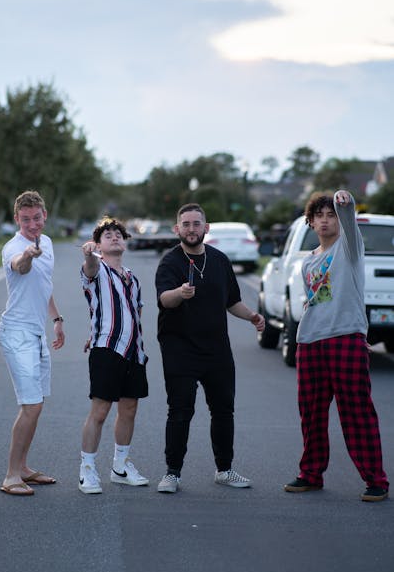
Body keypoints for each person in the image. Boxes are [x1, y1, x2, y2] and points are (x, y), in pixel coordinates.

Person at [284, 190, 389, 502]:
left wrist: (345, 204)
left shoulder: (350, 249)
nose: (326, 220)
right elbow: (318, 300)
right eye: (320, 216)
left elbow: (348, 217)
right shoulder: (307, 263)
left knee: (356, 412)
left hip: (345, 338)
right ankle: (311, 474)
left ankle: (376, 480)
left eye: (331, 215)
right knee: (311, 413)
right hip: (310, 341)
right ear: (311, 223)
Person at [155, 203, 265, 493]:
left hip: (216, 348)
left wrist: (252, 316)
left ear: (206, 228)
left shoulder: (219, 260)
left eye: (196, 224)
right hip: (180, 348)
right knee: (180, 410)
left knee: (223, 410)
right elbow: (164, 299)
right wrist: (180, 293)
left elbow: (232, 301)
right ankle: (172, 473)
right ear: (177, 229)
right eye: (186, 224)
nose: (191, 229)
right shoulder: (170, 262)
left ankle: (225, 470)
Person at [0, 190, 65, 496]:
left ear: (45, 216)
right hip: (16, 331)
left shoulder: (47, 243)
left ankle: (23, 468)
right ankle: (11, 475)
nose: (32, 224)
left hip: (36, 332)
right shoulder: (14, 247)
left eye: (37, 218)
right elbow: (20, 267)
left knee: (37, 405)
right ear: (16, 220)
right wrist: (27, 256)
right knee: (31, 404)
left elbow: (43, 285)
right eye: (26, 220)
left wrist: (57, 318)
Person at [79, 217, 149, 494]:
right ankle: (87, 469)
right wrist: (88, 255)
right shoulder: (96, 270)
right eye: (107, 235)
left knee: (129, 408)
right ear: (98, 245)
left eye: (118, 234)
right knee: (100, 411)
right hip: (107, 349)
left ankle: (120, 466)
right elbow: (90, 268)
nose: (115, 237)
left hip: (134, 351)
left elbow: (136, 312)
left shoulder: (132, 278)